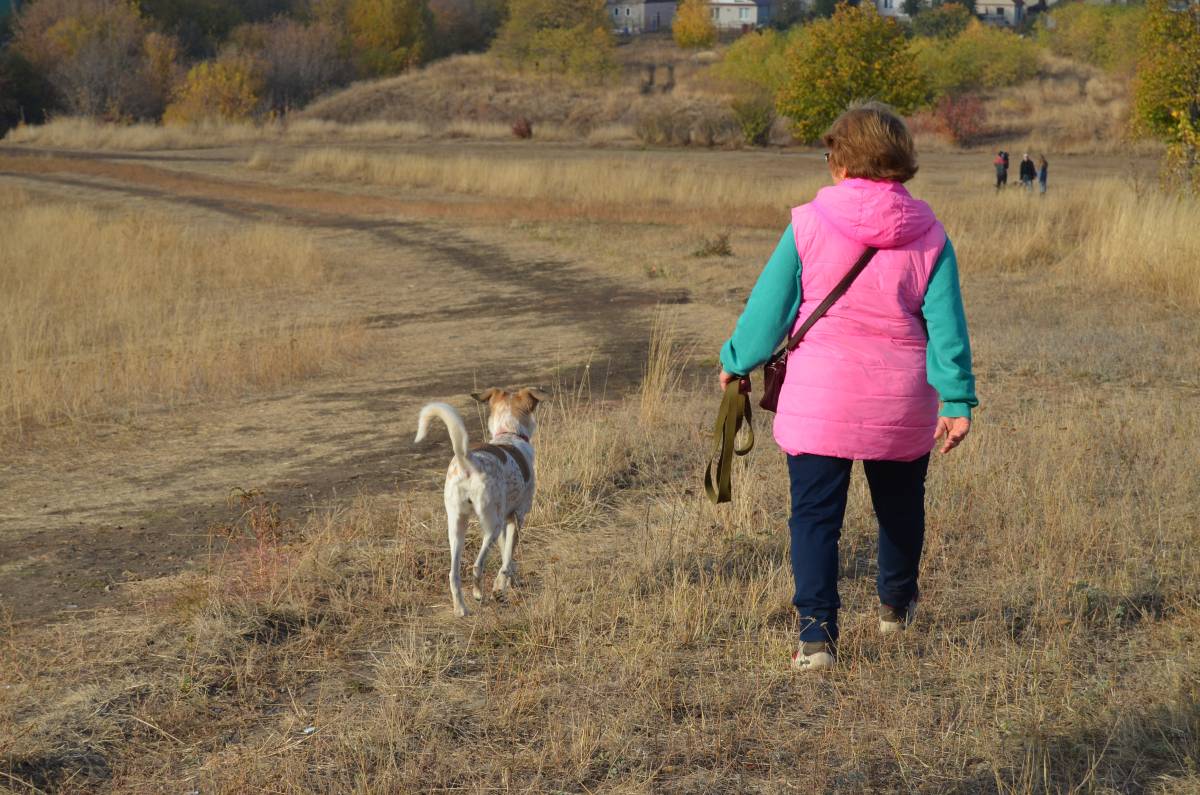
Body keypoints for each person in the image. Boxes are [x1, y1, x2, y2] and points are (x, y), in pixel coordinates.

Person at [717, 102, 977, 671]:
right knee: (901, 510)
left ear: (839, 161)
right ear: (901, 162)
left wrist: (736, 361)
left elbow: (767, 312)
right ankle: (894, 608)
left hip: (821, 399)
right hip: (901, 401)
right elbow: (947, 328)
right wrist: (956, 400)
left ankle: (816, 639)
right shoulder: (930, 235)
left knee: (814, 519)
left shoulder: (807, 223)